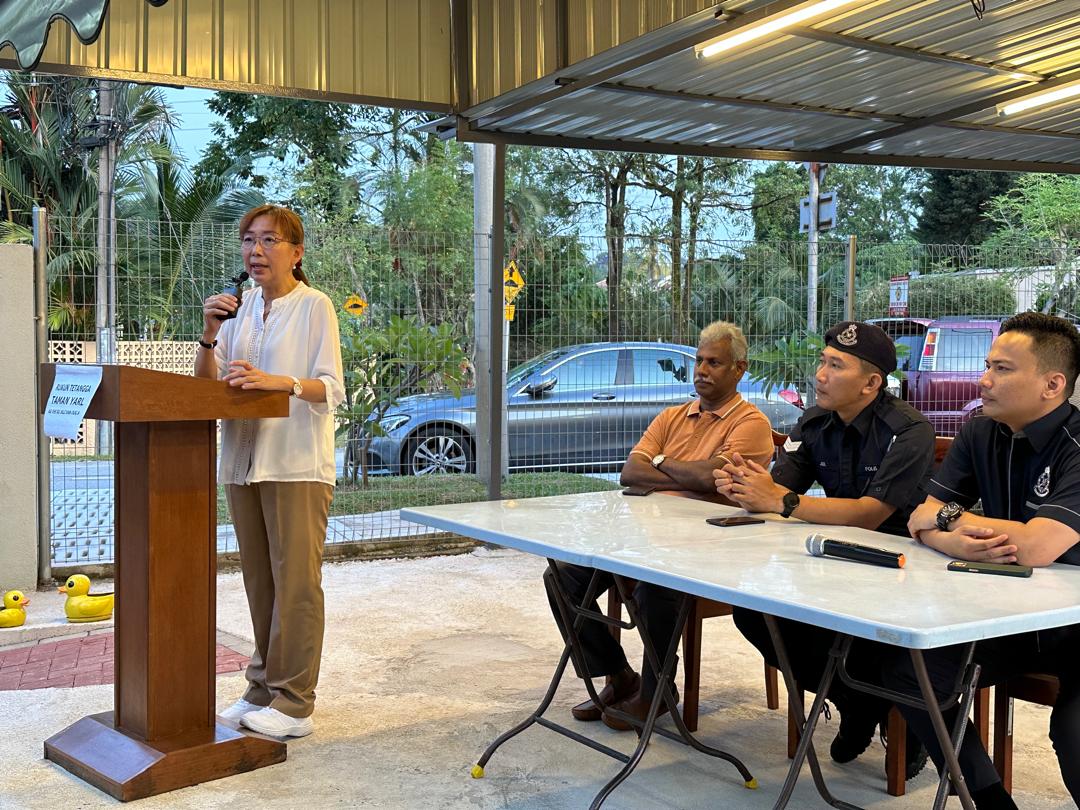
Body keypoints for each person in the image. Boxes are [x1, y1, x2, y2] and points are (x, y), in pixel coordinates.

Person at [715, 320, 933, 778]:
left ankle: (908, 723)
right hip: (832, 559)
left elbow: (871, 514)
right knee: (755, 613)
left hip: (902, 569)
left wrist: (784, 501)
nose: (819, 374)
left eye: (835, 365)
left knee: (858, 629)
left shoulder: (908, 431)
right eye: (821, 361)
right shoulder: (814, 422)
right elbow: (778, 491)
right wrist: (744, 484)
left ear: (872, 383)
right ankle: (857, 701)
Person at [887, 312, 1080, 810]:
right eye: (986, 365)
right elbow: (926, 513)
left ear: (1052, 384)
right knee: (913, 670)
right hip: (1003, 616)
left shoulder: (1076, 445)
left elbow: (1039, 547)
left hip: (1073, 627)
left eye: (1001, 369)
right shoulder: (980, 433)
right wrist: (950, 535)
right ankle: (990, 801)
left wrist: (949, 522)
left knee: (1075, 735)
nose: (983, 379)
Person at [543, 322, 775, 731]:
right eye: (699, 361)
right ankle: (620, 676)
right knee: (561, 576)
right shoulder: (672, 416)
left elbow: (711, 479)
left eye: (714, 362)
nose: (702, 370)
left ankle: (658, 690)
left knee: (655, 586)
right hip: (649, 536)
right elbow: (630, 473)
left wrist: (661, 464)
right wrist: (684, 473)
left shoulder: (750, 423)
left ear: (740, 368)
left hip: (712, 547)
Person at [195, 204, 345, 739]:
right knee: (260, 581)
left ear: (296, 252)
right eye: (249, 240)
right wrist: (211, 333)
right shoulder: (239, 310)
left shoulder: (314, 307)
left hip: (296, 463)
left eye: (270, 241)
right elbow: (207, 389)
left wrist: (277, 381)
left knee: (297, 585)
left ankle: (295, 702)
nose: (256, 251)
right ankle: (261, 687)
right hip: (242, 461)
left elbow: (330, 387)